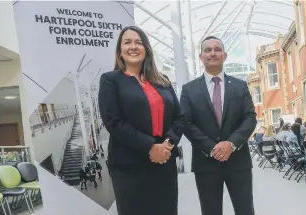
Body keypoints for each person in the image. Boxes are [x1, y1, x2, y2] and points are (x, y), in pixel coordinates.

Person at [98, 26, 184, 215]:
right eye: (127, 42)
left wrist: (166, 145)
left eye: (138, 42)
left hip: (164, 162)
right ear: (120, 51)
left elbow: (179, 116)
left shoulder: (163, 81)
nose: (133, 47)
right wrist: (150, 147)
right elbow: (113, 121)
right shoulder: (110, 80)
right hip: (129, 167)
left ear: (146, 48)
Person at [180, 36, 257, 215]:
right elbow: (185, 122)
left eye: (217, 49)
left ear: (225, 55)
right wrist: (212, 147)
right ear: (201, 57)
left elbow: (250, 118)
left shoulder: (240, 86)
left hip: (238, 161)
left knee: (245, 210)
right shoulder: (189, 90)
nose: (212, 53)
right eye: (207, 50)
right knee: (210, 211)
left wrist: (231, 144)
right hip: (205, 162)